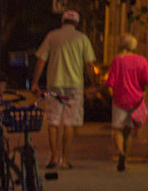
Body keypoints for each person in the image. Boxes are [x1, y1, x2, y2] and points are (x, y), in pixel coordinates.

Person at [32, 9, 96, 169]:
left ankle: (53, 157)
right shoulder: (82, 39)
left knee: (53, 121)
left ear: (62, 21)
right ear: (76, 23)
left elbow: (41, 60)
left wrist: (35, 82)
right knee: (69, 122)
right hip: (74, 86)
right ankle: (65, 159)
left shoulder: (52, 36)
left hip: (55, 85)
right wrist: (92, 84)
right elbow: (89, 64)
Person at [105, 34, 148, 171]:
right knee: (128, 131)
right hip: (136, 100)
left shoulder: (117, 60)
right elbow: (146, 81)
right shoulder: (142, 61)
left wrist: (111, 96)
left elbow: (110, 82)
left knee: (117, 129)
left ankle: (121, 153)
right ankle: (126, 160)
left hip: (120, 99)